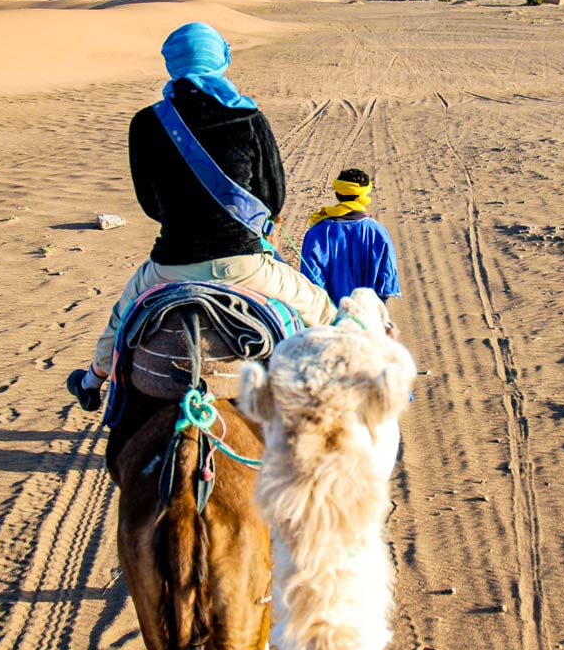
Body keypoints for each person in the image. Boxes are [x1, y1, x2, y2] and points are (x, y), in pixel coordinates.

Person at [67, 22, 337, 411]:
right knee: (323, 310)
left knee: (122, 316)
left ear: (172, 62)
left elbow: (149, 204)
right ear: (221, 59)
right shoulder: (249, 118)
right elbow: (273, 197)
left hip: (170, 267)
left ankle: (92, 382)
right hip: (246, 267)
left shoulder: (146, 122)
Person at [300, 168, 401, 308]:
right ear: (364, 197)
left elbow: (311, 281)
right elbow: (387, 282)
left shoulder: (316, 232)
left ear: (337, 194)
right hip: (368, 317)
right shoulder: (378, 232)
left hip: (328, 318)